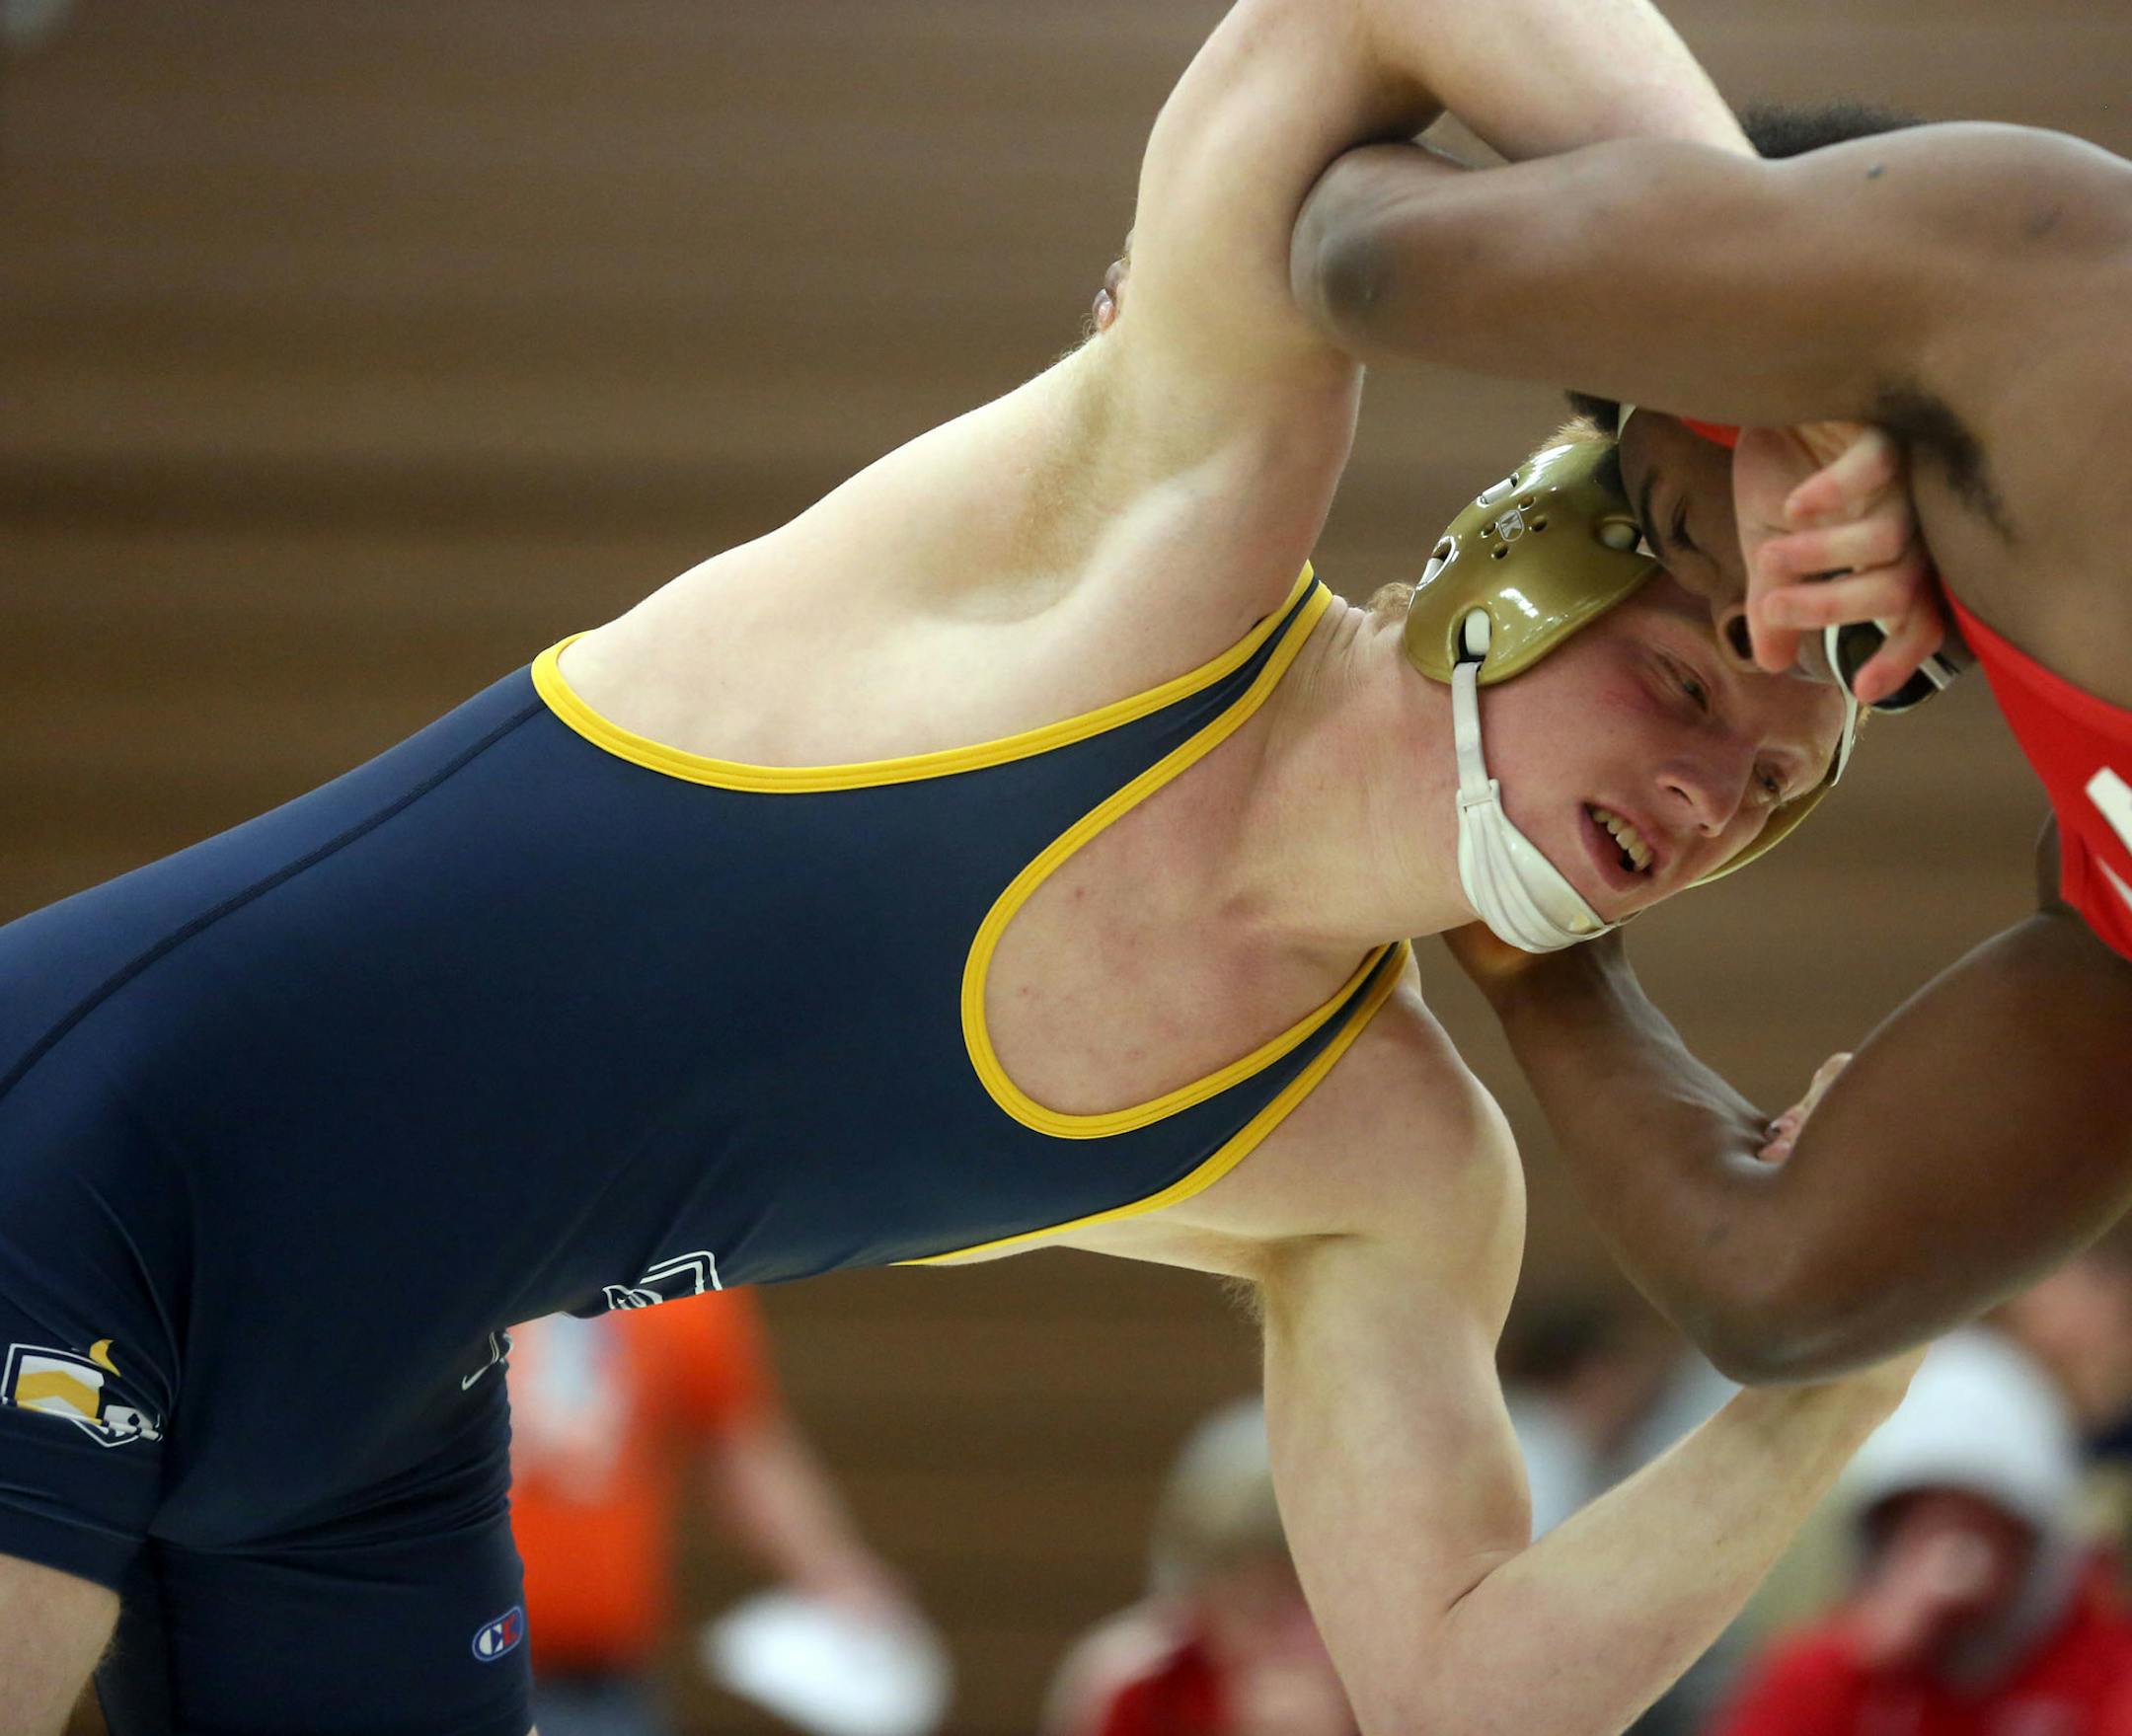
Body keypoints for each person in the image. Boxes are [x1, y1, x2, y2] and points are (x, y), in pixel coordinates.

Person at [0, 3, 1902, 1732]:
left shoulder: (1386, 1161)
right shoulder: (1179, 545)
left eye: (1774, 788)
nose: (1708, 787)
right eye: (1679, 677)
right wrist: (1792, 369)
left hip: (369, 1440)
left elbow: (1461, 1681)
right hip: (80, 1173)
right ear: (1516, 556)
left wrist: (1852, 1360)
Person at [1276, 93, 2132, 1377]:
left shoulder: (2027, 269)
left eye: (1686, 523)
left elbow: (1364, 252)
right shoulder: (2107, 910)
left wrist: (1807, 375)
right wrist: (1538, 944)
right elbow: (1774, 1279)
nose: (1770, 629)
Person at [506, 1292, 927, 1736]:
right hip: (447, 1664)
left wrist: (835, 1573)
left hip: (595, 1677)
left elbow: (739, 1441)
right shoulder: (451, 1264)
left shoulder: (680, 1274)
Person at [1708, 1330, 2132, 1736]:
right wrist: (1863, 1658)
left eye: (1981, 1521)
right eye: (1921, 1522)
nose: (1953, 1554)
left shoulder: (2107, 1668)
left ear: (2033, 1538)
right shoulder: (1836, 1667)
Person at [1041, 1398, 1354, 1736]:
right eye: (1247, 1599)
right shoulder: (1137, 1682)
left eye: (1296, 1589)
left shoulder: (1385, 1674)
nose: (1280, 1629)